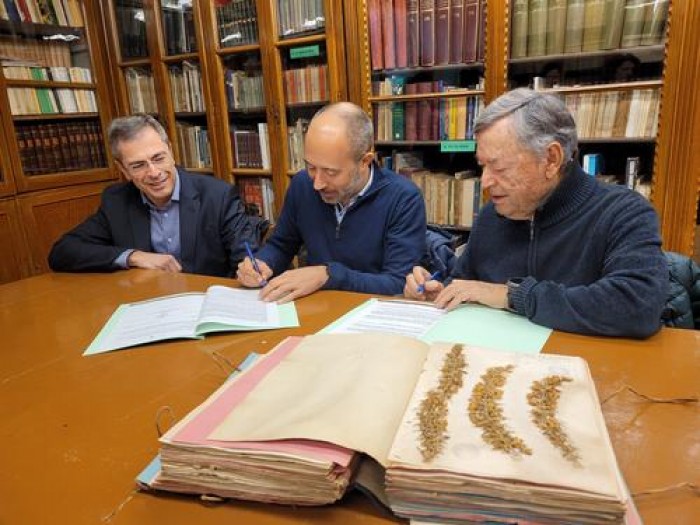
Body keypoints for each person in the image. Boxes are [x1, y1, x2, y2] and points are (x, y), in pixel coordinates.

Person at [404, 88, 668, 338]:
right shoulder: (491, 216)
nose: (484, 182)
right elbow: (463, 283)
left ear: (551, 159)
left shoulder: (623, 213)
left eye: (499, 167)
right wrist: (436, 292)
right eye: (482, 166)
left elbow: (638, 305)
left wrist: (513, 296)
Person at [237, 102, 426, 302]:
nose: (317, 184)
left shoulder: (403, 198)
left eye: (331, 172)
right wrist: (262, 263)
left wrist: (328, 275)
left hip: (372, 315)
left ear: (365, 161)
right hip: (316, 308)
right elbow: (282, 244)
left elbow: (398, 282)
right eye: (311, 167)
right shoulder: (302, 185)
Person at [48, 114, 265, 277]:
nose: (153, 173)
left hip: (207, 304)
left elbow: (245, 259)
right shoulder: (117, 201)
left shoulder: (217, 196)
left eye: (158, 158)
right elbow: (62, 252)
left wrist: (250, 270)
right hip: (149, 305)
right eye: (138, 165)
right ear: (123, 170)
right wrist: (134, 256)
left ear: (170, 150)